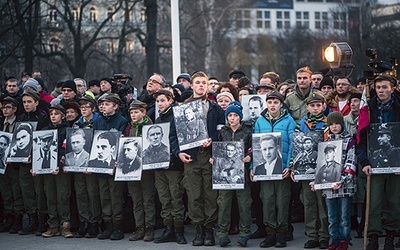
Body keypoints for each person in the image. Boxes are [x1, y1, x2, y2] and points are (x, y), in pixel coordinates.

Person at [178, 71, 225, 246]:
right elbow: (175, 134)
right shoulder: (183, 107)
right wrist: (179, 152)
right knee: (194, 194)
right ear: (191, 85)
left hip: (209, 156)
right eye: (197, 82)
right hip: (192, 156)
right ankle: (198, 228)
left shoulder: (214, 107)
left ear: (206, 85)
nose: (200, 86)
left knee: (210, 195)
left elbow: (222, 131)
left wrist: (213, 142)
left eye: (203, 83)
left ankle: (209, 229)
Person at [251, 91, 296, 248]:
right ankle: (270, 232)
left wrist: (289, 166)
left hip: (282, 168)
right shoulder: (260, 121)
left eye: (275, 102)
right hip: (265, 170)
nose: (272, 105)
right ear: (266, 104)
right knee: (267, 199)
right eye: (269, 102)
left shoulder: (289, 120)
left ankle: (281, 233)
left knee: (282, 200)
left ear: (281, 104)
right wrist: (253, 167)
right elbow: (255, 147)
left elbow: (293, 144)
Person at [212, 101, 252, 247]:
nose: (232, 118)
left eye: (235, 115)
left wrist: (250, 157)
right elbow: (216, 149)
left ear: (240, 117)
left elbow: (253, 148)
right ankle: (223, 234)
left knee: (244, 204)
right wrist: (214, 159)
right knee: (223, 204)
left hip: (242, 174)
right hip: (224, 176)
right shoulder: (222, 132)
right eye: (230, 115)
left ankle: (245, 234)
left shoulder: (247, 131)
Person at [292, 93, 330, 249]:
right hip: (305, 170)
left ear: (323, 106)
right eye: (312, 106)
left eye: (318, 105)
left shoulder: (327, 123)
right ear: (307, 107)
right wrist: (293, 166)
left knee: (322, 203)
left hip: (322, 169)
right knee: (309, 203)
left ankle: (323, 235)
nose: (315, 109)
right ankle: (312, 234)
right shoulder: (301, 123)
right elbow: (296, 147)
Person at [315, 111, 356, 250]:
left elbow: (350, 162)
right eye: (331, 124)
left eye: (337, 123)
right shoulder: (326, 142)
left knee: (344, 216)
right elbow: (320, 165)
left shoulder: (349, 140)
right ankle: (335, 239)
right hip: (329, 187)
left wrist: (343, 180)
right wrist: (316, 182)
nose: (334, 127)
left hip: (344, 186)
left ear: (342, 124)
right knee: (332, 216)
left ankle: (344, 239)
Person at [152, 89, 187, 244]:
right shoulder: (158, 120)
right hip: (159, 165)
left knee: (176, 197)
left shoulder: (177, 116)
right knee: (164, 198)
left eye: (163, 100)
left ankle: (179, 230)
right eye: (158, 101)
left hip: (174, 164)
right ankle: (168, 229)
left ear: (171, 100)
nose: (160, 103)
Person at [92, 93, 127, 241]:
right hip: (101, 165)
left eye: (106, 104)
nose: (103, 107)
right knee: (104, 195)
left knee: (115, 196)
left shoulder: (122, 121)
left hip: (115, 165)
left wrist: (118, 160)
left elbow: (124, 142)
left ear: (115, 106)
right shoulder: (98, 121)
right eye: (101, 104)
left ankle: (117, 226)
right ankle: (108, 226)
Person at [16, 90, 50, 236]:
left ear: (36, 102)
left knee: (39, 191)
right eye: (24, 102)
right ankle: (32, 219)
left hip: (37, 161)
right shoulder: (21, 118)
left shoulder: (43, 118)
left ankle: (42, 220)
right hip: (24, 162)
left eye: (29, 101)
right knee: (27, 191)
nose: (26, 104)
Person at [123, 100, 155, 242]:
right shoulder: (129, 128)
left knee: (148, 199)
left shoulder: (150, 127)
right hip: (132, 168)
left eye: (136, 112)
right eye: (131, 112)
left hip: (146, 169)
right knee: (136, 199)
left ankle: (149, 228)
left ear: (143, 112)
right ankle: (139, 227)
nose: (133, 115)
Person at [39, 105, 72, 238]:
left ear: (62, 116)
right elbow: (38, 149)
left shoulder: (66, 130)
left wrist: (59, 164)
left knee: (63, 196)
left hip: (61, 168)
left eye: (56, 114)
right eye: (51, 114)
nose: (53, 116)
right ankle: (53, 225)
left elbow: (66, 149)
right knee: (50, 195)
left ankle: (65, 225)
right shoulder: (44, 130)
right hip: (47, 167)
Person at [0, 97, 24, 233]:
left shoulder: (19, 123)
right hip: (2, 162)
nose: (5, 110)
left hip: (14, 162)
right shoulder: (0, 123)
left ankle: (17, 217)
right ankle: (8, 216)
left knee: (16, 190)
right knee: (6, 191)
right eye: (3, 107)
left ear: (14, 109)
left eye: (8, 107)